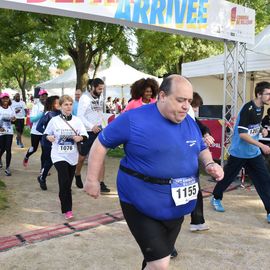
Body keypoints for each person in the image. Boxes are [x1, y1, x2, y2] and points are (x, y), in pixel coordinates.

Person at [84, 75, 224, 270]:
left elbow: (201, 147)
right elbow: (101, 144)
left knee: (156, 260)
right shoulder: (133, 119)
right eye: (181, 100)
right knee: (160, 264)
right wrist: (92, 179)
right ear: (162, 96)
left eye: (189, 101)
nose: (186, 106)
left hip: (178, 204)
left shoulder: (189, 121)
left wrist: (209, 164)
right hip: (140, 202)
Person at [211, 81, 270, 223]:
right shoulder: (247, 109)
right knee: (227, 178)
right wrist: (261, 145)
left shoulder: (261, 107)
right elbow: (243, 134)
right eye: (268, 94)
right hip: (239, 153)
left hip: (253, 153)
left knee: (264, 181)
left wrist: (262, 127)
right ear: (259, 94)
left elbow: (254, 124)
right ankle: (216, 197)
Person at [44, 95, 88, 220]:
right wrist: (49, 137)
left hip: (72, 156)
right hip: (58, 155)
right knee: (64, 181)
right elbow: (46, 134)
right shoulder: (54, 120)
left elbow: (85, 135)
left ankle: (62, 195)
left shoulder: (77, 121)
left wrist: (80, 137)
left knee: (67, 184)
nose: (68, 107)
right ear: (60, 106)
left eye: (70, 104)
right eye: (65, 104)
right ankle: (67, 210)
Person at [75, 78, 110, 192]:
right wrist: (91, 126)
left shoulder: (100, 98)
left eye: (102, 89)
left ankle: (101, 183)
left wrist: (104, 124)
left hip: (99, 131)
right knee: (81, 157)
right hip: (87, 131)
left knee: (102, 158)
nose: (101, 91)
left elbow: (99, 113)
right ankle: (77, 174)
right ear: (93, 87)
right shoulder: (85, 98)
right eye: (99, 89)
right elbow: (80, 116)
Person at [36, 95, 61, 190]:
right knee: (50, 160)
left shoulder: (61, 113)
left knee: (53, 160)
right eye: (57, 102)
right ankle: (42, 177)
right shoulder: (48, 114)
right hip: (47, 142)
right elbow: (38, 127)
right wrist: (47, 134)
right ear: (52, 104)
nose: (60, 104)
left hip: (57, 142)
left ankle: (42, 177)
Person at [23, 89, 48, 168]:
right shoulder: (36, 106)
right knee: (34, 148)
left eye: (45, 95)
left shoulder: (49, 106)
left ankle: (42, 169)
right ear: (39, 97)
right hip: (35, 131)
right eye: (42, 96)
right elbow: (32, 120)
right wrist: (42, 113)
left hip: (44, 132)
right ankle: (27, 156)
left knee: (45, 151)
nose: (44, 97)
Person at [0, 93, 16, 176]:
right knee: (2, 148)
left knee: (8, 149)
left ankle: (7, 168)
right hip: (1, 132)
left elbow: (13, 119)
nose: (5, 100)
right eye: (3, 98)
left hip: (9, 131)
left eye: (7, 98)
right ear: (1, 100)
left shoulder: (11, 108)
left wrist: (13, 119)